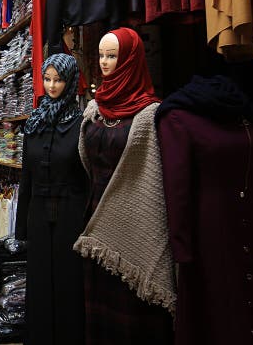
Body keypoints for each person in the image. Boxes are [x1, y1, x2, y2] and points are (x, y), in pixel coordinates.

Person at [156, 75, 253, 344]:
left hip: (250, 223)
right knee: (219, 308)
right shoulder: (177, 118)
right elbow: (178, 187)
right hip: (208, 232)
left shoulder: (242, 110)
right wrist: (181, 248)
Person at [75, 27, 174, 344]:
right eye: (101, 55)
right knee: (99, 311)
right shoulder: (94, 108)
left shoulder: (149, 114)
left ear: (131, 58)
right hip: (96, 219)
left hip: (132, 223)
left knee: (131, 312)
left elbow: (152, 176)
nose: (104, 62)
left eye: (112, 56)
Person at [16, 53, 88, 345]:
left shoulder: (82, 123)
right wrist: (21, 226)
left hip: (71, 214)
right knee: (40, 281)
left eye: (58, 79)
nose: (52, 85)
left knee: (68, 281)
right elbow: (27, 177)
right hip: (39, 214)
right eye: (47, 79)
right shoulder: (34, 123)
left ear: (70, 82)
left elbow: (86, 177)